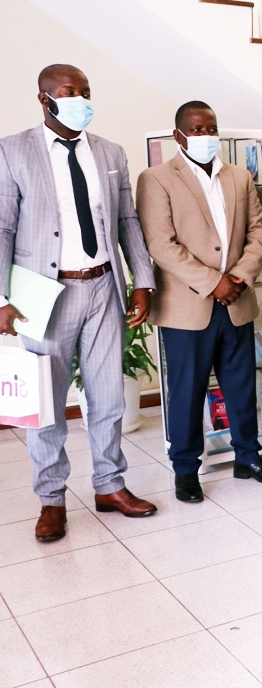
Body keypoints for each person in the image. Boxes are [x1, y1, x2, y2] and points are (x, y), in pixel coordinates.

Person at [0, 64, 159, 541]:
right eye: (70, 92)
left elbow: (128, 220)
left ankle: (110, 485)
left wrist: (142, 280)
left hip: (103, 286)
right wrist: (2, 297)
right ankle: (51, 499)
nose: (81, 100)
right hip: (43, 293)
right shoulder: (12, 150)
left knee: (107, 396)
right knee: (47, 404)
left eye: (85, 91)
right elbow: (2, 227)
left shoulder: (109, 152)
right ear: (45, 98)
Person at [136, 101, 262, 503]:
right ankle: (186, 470)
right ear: (178, 135)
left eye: (211, 128)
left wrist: (239, 277)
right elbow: (160, 244)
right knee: (187, 392)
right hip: (187, 307)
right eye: (196, 129)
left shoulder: (239, 176)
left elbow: (259, 231)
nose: (205, 135)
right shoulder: (156, 179)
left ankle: (248, 457)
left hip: (236, 300)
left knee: (241, 385)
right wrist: (213, 283)